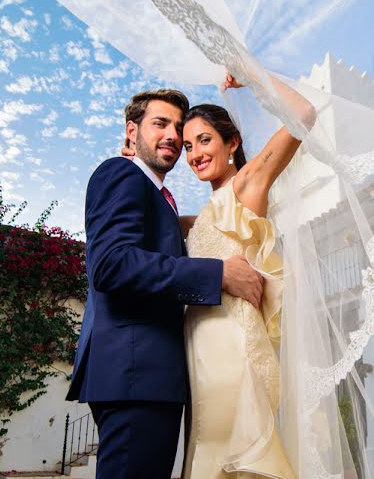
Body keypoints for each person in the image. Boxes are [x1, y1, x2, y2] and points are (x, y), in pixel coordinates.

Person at [68, 89, 267, 479]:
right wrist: (218, 273)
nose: (174, 135)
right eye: (160, 124)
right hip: (136, 372)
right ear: (132, 131)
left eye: (179, 127)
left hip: (153, 375)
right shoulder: (121, 173)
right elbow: (111, 264)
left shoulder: (160, 199)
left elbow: (169, 237)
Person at [123, 74, 314, 479]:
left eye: (204, 140)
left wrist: (250, 75)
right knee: (208, 453)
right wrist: (134, 163)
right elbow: (157, 220)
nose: (193, 154)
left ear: (232, 143)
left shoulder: (248, 184)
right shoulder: (203, 215)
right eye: (188, 146)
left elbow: (303, 115)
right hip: (200, 352)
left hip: (233, 347)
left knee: (232, 457)